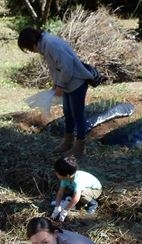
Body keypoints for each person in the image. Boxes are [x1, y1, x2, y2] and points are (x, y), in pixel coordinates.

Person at [18, 27, 94, 159]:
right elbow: (56, 68)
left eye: (29, 48)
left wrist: (60, 85)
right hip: (68, 82)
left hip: (77, 81)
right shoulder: (45, 45)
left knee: (77, 114)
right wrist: (56, 83)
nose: (32, 51)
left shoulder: (51, 44)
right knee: (68, 113)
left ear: (32, 43)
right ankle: (68, 141)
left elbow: (67, 67)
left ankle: (80, 147)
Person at [51, 155, 101, 221]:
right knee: (66, 189)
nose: (56, 174)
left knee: (82, 194)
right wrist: (57, 207)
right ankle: (68, 201)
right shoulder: (65, 178)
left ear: (67, 175)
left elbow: (76, 198)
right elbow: (60, 192)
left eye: (58, 173)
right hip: (76, 187)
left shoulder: (78, 181)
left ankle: (92, 204)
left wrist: (65, 211)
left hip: (94, 190)